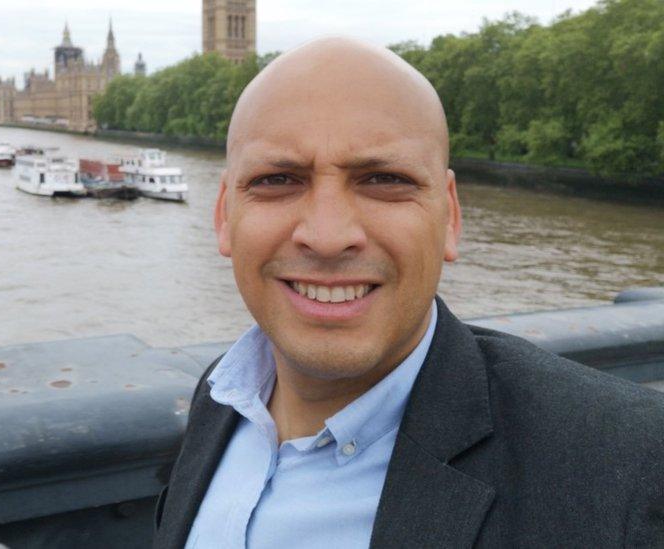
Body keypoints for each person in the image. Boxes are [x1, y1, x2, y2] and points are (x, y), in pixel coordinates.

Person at [153, 37, 664, 548]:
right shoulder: (219, 397)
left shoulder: (628, 467)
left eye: (383, 179)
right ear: (224, 215)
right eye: (278, 179)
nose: (328, 236)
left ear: (450, 219)